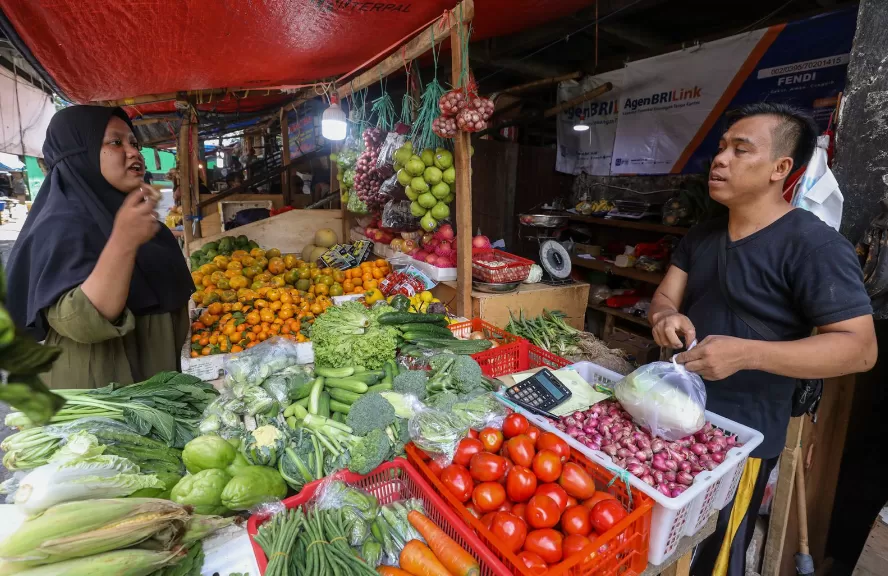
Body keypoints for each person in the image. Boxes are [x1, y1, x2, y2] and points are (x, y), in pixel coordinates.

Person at [649, 102, 877, 576]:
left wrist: (747, 354)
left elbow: (859, 348)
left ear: (780, 168)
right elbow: (664, 298)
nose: (720, 159)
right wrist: (665, 318)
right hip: (669, 417)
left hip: (740, 440)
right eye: (721, 148)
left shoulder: (814, 245)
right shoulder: (704, 234)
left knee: (712, 553)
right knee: (661, 547)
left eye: (740, 149)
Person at [5, 106, 193, 389]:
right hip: (104, 393)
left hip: (153, 384)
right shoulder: (61, 223)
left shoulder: (130, 213)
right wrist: (123, 242)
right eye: (116, 142)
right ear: (80, 154)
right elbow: (81, 321)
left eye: (134, 143)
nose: (133, 152)